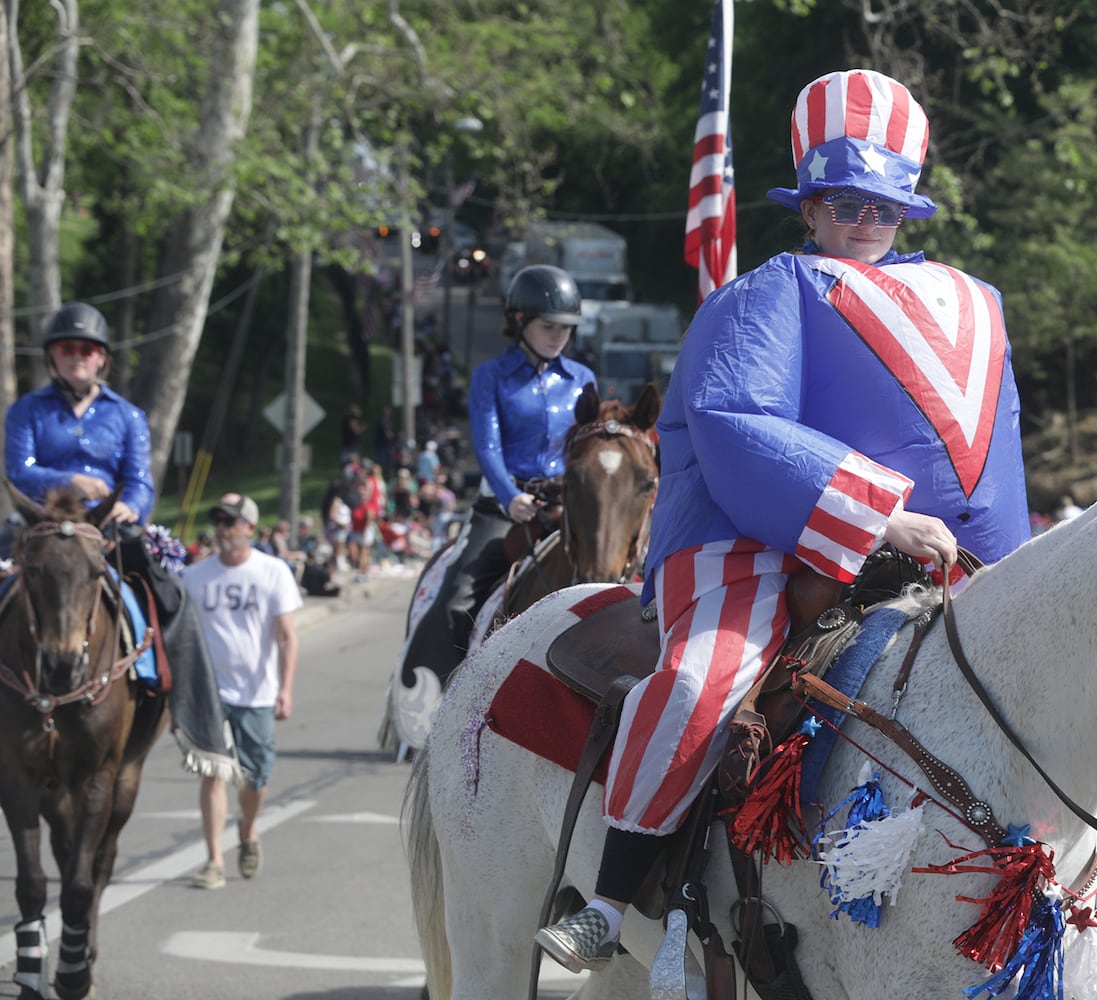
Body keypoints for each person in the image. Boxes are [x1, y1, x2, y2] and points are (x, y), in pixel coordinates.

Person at [533, 69, 1030, 972]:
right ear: (809, 206)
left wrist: (1012, 570)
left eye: (881, 203)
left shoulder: (973, 305)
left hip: (925, 558)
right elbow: (735, 424)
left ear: (906, 208)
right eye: (842, 201)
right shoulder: (769, 291)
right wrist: (884, 518)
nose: (863, 220)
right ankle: (610, 896)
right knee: (701, 680)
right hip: (751, 539)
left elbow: (993, 446)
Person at [4, 302, 241, 779]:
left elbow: (139, 481)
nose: (77, 356)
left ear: (102, 359)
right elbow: (18, 471)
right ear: (53, 357)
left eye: (87, 349)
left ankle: (195, 718)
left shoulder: (128, 415)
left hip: (107, 529)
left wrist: (128, 506)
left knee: (173, 597)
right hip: (40, 526)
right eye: (67, 348)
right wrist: (72, 481)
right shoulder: (27, 410)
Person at [394, 265, 596, 689]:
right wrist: (510, 497)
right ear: (519, 321)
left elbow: (587, 448)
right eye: (548, 326)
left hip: (564, 508)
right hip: (505, 507)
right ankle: (429, 698)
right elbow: (487, 447)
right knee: (455, 599)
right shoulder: (491, 376)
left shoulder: (583, 381)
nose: (559, 335)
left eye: (566, 328)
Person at [181, 493, 303, 890]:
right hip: (209, 693)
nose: (223, 528)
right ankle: (214, 860)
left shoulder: (272, 572)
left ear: (250, 527)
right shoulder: (194, 576)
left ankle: (247, 832)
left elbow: (287, 637)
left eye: (231, 521)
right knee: (214, 773)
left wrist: (285, 688)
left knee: (253, 777)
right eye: (218, 520)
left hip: (257, 692)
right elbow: (182, 639)